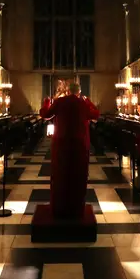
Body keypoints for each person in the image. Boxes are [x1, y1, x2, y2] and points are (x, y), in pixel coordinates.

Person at [40, 82, 99, 219]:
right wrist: (89, 101)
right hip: (79, 144)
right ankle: (76, 209)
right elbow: (95, 115)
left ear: (67, 91)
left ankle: (59, 207)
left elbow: (45, 114)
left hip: (61, 143)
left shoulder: (60, 102)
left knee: (60, 174)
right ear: (79, 92)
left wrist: (47, 102)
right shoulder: (82, 103)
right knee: (78, 175)